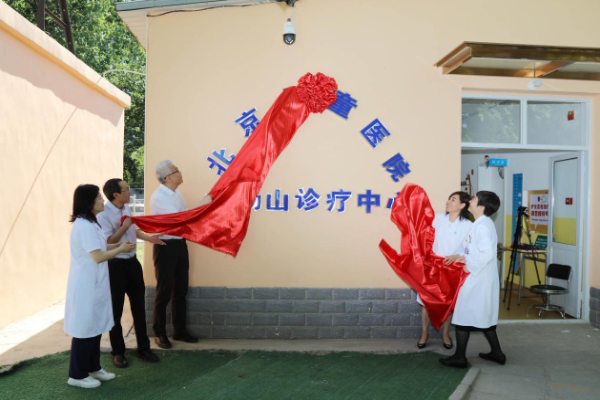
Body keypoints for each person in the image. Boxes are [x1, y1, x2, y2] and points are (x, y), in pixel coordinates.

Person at [64, 185, 135, 388]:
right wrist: (120, 249)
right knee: (85, 329)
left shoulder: (91, 223)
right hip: (87, 285)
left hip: (95, 283)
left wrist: (118, 245)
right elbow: (98, 256)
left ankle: (93, 367)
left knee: (95, 327)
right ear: (89, 203)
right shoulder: (84, 226)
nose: (103, 201)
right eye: (99, 198)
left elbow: (101, 246)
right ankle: (77, 375)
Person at [97, 179, 163, 368]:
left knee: (139, 308)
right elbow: (108, 241)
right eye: (126, 190)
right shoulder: (103, 215)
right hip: (115, 265)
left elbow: (133, 230)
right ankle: (118, 352)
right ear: (116, 195)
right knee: (116, 310)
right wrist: (125, 227)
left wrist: (149, 238)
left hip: (133, 263)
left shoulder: (126, 208)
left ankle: (144, 348)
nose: (130, 192)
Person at [440, 190, 505, 368]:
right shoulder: (480, 223)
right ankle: (497, 353)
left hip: (477, 278)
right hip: (479, 278)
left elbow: (487, 254)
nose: (471, 201)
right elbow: (473, 250)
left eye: (474, 199)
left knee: (463, 316)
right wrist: (460, 256)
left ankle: (460, 357)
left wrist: (469, 266)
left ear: (482, 206)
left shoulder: (482, 226)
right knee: (482, 316)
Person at [150, 160, 198, 348]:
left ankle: (179, 330)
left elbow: (185, 217)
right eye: (176, 171)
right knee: (164, 290)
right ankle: (159, 333)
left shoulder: (177, 193)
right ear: (168, 177)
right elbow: (178, 221)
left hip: (179, 244)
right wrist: (202, 206)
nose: (180, 173)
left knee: (181, 289)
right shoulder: (159, 197)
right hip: (165, 246)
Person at [417, 191, 472, 350]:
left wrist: (459, 256)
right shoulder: (438, 218)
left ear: (462, 205)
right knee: (426, 302)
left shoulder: (468, 225)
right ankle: (424, 334)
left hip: (452, 269)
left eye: (453, 200)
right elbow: (424, 235)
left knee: (448, 304)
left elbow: (471, 248)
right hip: (433, 267)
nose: (448, 202)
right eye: (449, 199)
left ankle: (445, 334)